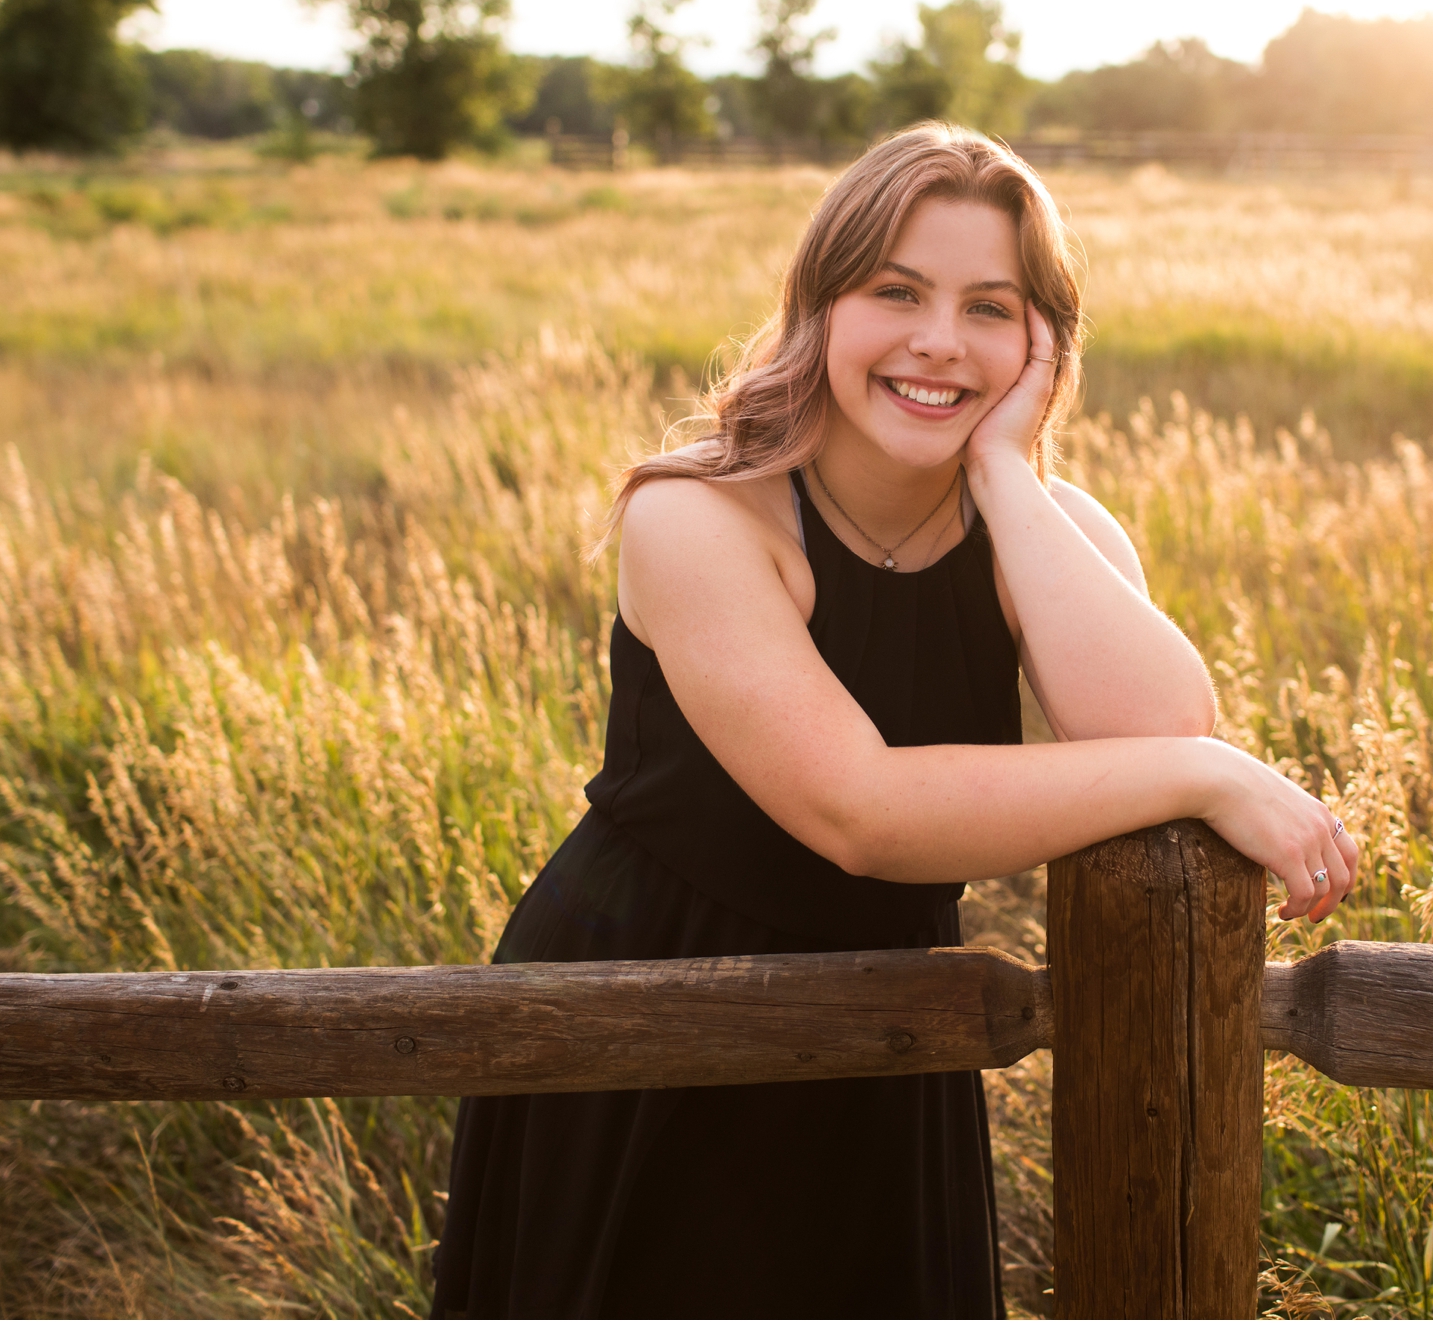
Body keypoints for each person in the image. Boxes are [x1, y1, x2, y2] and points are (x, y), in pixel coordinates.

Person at [430, 123, 1357, 1318]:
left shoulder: (1041, 521)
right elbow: (860, 812)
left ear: (1044, 342)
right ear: (820, 305)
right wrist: (1206, 777)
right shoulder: (704, 516)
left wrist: (1008, 476)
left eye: (991, 307)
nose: (938, 341)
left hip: (893, 1023)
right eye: (897, 291)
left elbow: (1162, 721)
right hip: (650, 1009)